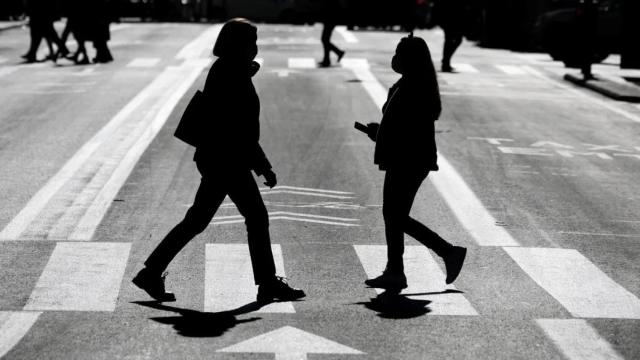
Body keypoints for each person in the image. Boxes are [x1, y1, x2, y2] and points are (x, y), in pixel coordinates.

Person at [133, 19, 306, 304]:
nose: (255, 47)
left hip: (219, 158)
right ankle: (266, 283)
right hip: (228, 160)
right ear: (238, 45)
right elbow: (239, 130)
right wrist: (262, 166)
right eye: (251, 42)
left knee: (198, 221)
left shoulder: (228, 69)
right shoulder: (232, 73)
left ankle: (151, 272)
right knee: (255, 217)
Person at [359, 34, 467, 290]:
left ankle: (446, 252)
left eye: (399, 53)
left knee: (395, 216)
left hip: (408, 159)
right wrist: (379, 132)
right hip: (406, 157)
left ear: (410, 59)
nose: (394, 58)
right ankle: (396, 270)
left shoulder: (413, 87)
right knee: (393, 215)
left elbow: (407, 128)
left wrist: (383, 133)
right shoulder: (410, 83)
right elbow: (398, 125)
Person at [437, 0, 466, 73]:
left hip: (451, 18)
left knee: (451, 40)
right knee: (451, 40)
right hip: (450, 18)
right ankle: (446, 61)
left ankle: (446, 61)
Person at [318, 0, 346, 68]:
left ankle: (337, 53)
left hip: (330, 19)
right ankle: (327, 59)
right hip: (331, 19)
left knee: (324, 39)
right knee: (325, 40)